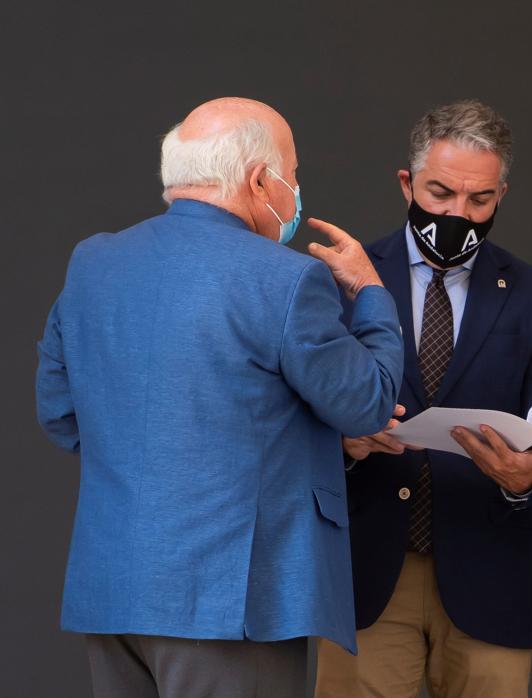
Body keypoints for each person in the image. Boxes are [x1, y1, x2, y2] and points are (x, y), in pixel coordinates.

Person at [34, 97, 404, 697]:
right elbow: (368, 402)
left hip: (114, 591)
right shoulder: (285, 278)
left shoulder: (93, 264)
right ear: (260, 181)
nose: (295, 192)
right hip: (232, 602)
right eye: (293, 175)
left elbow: (60, 414)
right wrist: (369, 291)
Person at [314, 100, 532, 698]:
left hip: (490, 577)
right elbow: (294, 423)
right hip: (366, 578)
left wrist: (525, 478)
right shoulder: (343, 280)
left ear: (501, 195)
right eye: (440, 193)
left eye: (479, 199)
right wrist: (344, 445)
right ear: (406, 183)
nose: (458, 213)